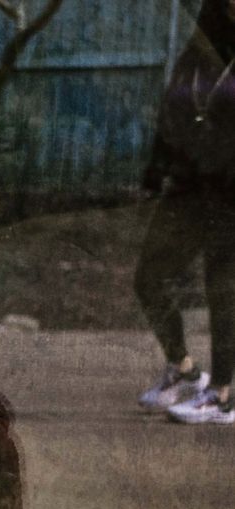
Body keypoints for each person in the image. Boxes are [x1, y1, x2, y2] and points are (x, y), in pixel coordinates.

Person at [134, 0, 235, 425]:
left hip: (229, 194)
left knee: (223, 288)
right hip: (189, 189)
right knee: (149, 277)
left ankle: (223, 394)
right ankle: (185, 368)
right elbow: (170, 111)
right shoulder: (198, 52)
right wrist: (157, 170)